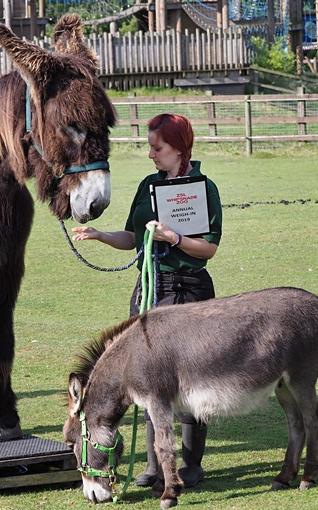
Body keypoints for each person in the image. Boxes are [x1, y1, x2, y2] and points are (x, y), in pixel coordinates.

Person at [71, 113, 222, 489]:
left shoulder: (203, 188)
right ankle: (156, 467)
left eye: (159, 148)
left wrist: (174, 239)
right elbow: (132, 237)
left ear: (180, 149)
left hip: (189, 293)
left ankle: (190, 465)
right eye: (150, 147)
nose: (151, 154)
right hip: (149, 291)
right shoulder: (147, 186)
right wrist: (101, 235)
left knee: (190, 380)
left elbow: (209, 248)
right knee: (149, 379)